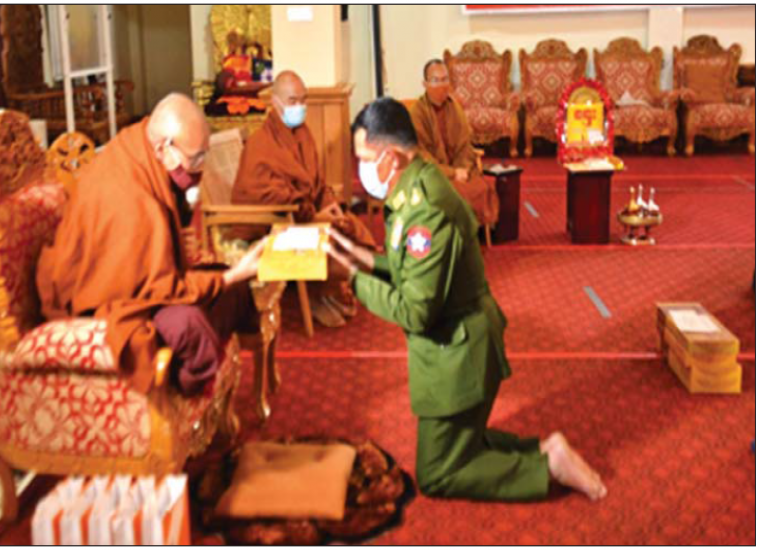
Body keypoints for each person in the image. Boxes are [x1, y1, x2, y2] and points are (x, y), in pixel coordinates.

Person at [325, 97, 607, 502]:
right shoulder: (416, 182)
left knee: (438, 473)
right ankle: (545, 451)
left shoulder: (424, 212)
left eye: (365, 159)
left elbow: (415, 311)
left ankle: (545, 468)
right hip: (460, 342)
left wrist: (351, 279)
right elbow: (410, 269)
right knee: (460, 445)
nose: (361, 170)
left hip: (459, 353)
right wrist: (360, 257)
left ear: (390, 157)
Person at [37, 93, 264, 396]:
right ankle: (182, 398)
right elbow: (158, 287)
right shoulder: (132, 201)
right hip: (109, 298)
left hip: (136, 275)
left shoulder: (140, 140)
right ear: (163, 148)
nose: (200, 167)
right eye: (196, 158)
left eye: (204, 155)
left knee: (232, 292)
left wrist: (224, 275)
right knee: (191, 326)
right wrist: (232, 275)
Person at [230, 70, 375, 328]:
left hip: (304, 213)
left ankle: (325, 291)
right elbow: (267, 197)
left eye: (303, 100)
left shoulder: (302, 133)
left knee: (351, 228)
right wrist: (314, 217)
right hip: (272, 223)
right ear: (275, 102)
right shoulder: (260, 144)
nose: (300, 107)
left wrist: (329, 205)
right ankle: (315, 294)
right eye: (293, 101)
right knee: (333, 240)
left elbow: (317, 182)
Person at [408, 59, 499, 232]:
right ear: (425, 84)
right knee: (452, 193)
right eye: (435, 80)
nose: (441, 86)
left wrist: (461, 169)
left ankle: (469, 231)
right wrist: (451, 173)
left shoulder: (454, 107)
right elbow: (421, 155)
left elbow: (464, 144)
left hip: (459, 170)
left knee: (482, 187)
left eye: (445, 79)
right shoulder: (417, 112)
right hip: (434, 173)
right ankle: (453, 235)